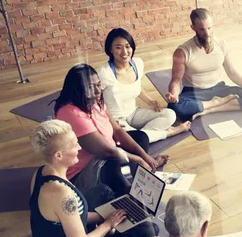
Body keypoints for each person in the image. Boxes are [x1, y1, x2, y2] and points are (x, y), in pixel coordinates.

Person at [28, 119, 159, 237]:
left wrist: (106, 216)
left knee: (103, 191)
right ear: (59, 155)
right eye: (74, 145)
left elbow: (67, 216)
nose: (79, 148)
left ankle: (112, 235)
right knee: (148, 231)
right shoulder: (62, 194)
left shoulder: (40, 173)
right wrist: (107, 224)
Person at [54, 64, 169, 199]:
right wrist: (138, 159)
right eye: (90, 87)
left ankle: (139, 172)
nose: (97, 91)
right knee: (113, 162)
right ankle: (128, 192)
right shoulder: (71, 113)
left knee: (140, 137)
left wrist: (144, 156)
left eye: (98, 85)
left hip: (106, 157)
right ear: (77, 89)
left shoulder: (96, 101)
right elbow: (106, 152)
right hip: (82, 173)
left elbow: (117, 130)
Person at [166, 8, 242, 121]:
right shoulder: (183, 51)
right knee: (174, 107)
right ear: (193, 28)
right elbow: (176, 81)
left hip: (218, 88)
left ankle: (210, 109)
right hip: (194, 92)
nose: (207, 34)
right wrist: (174, 95)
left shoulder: (221, 44)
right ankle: (215, 102)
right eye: (202, 30)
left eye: (209, 28)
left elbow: (231, 72)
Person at [99, 28, 191, 143]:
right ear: (110, 49)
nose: (124, 52)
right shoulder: (104, 73)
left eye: (127, 46)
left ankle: (141, 137)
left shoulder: (137, 64)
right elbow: (95, 102)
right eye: (118, 47)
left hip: (135, 113)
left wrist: (150, 101)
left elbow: (136, 87)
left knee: (170, 114)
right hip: (117, 119)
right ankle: (169, 132)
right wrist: (109, 122)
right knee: (128, 138)